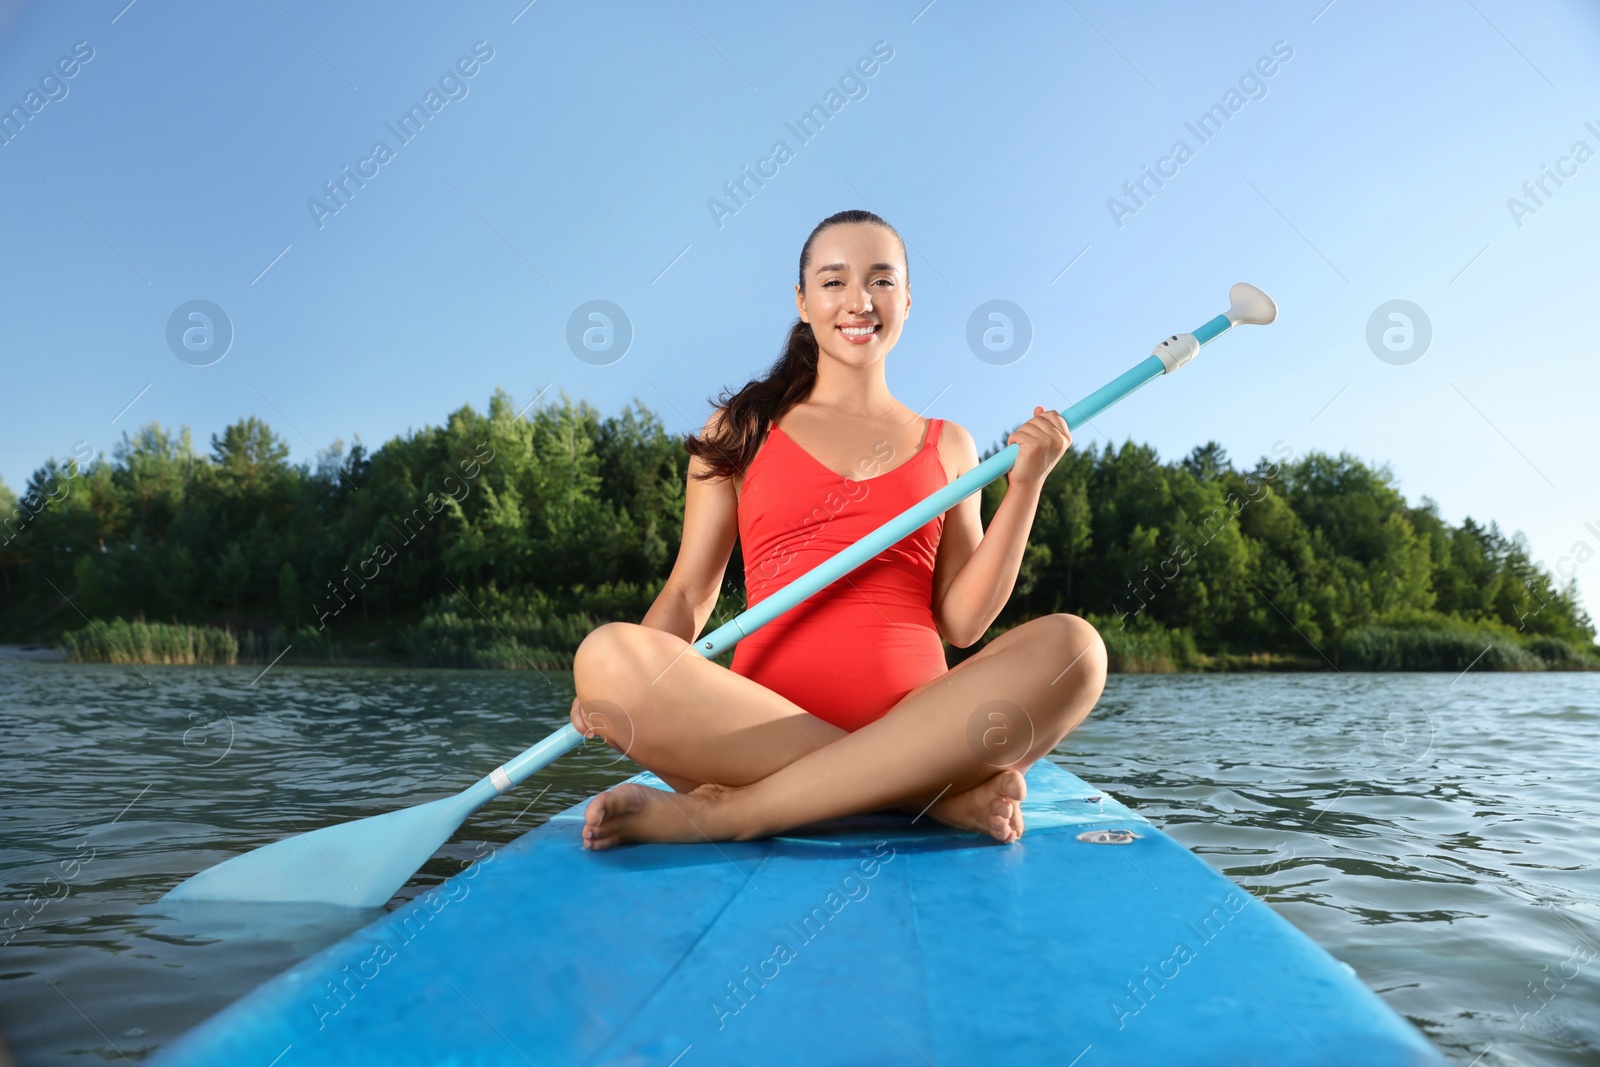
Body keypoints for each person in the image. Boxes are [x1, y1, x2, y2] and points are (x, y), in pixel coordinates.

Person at [569, 209, 1107, 850]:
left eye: (881, 281)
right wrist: (623, 688)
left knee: (1076, 650)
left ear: (908, 300)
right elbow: (688, 596)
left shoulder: (951, 445)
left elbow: (962, 623)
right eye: (833, 282)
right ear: (802, 302)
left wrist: (1026, 488)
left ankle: (731, 815)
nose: (859, 301)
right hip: (752, 733)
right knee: (603, 656)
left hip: (921, 726)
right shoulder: (737, 430)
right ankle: (926, 799)